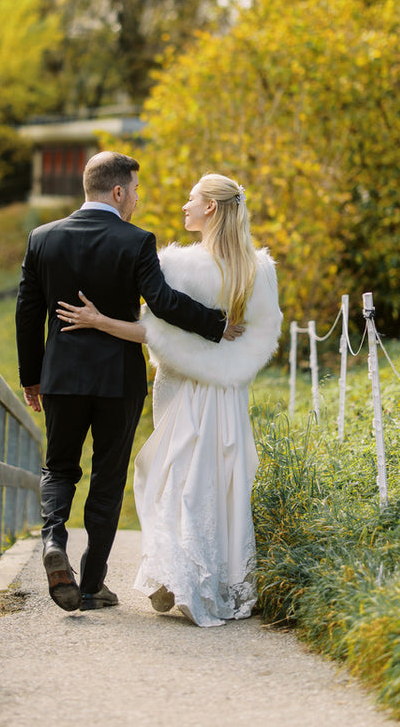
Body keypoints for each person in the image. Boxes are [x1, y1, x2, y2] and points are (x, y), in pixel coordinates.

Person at [15, 151, 239, 614]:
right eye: (135, 191)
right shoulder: (136, 241)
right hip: (117, 379)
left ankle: (53, 538)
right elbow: (163, 301)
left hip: (61, 377)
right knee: (108, 478)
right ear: (117, 192)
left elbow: (27, 314)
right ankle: (93, 583)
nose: (137, 199)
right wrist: (217, 326)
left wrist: (32, 377)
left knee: (58, 468)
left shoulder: (42, 239)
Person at [57, 173, 282, 626]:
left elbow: (151, 334)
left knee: (173, 480)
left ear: (211, 209)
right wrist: (226, 364)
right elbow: (260, 337)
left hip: (184, 392)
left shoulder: (178, 268)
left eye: (192, 199)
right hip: (227, 395)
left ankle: (175, 576)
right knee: (219, 484)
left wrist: (99, 320)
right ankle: (213, 581)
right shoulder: (259, 270)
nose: (185, 205)